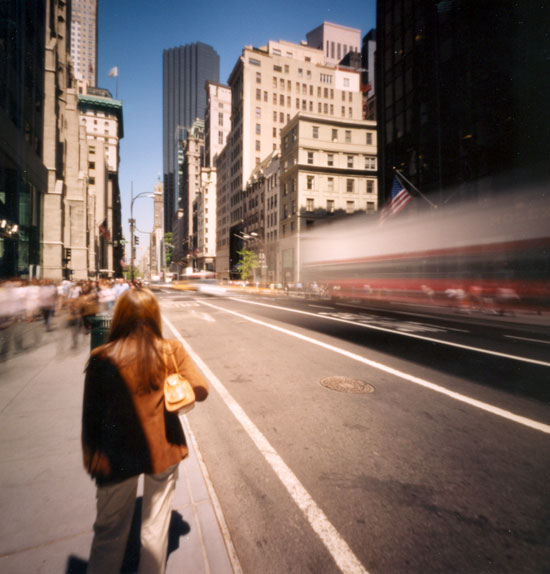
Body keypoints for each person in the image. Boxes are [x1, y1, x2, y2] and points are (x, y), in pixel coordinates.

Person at [82, 288, 209, 573]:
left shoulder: (102, 357)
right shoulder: (170, 350)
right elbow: (202, 390)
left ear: (120, 317)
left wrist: (92, 459)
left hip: (115, 456)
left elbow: (91, 416)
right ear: (154, 316)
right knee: (155, 530)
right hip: (163, 449)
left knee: (108, 535)